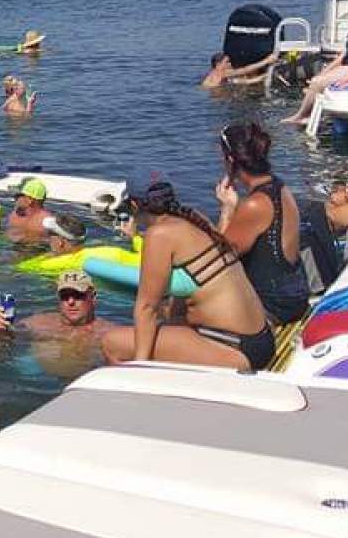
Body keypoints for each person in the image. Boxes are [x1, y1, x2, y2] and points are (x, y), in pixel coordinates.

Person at [99, 171, 273, 370]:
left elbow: (147, 308)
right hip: (261, 339)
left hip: (235, 349)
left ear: (134, 205)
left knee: (112, 344)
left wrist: (140, 367)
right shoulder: (196, 219)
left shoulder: (159, 234)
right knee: (170, 312)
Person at [215, 122, 307, 324]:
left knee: (182, 306)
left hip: (273, 307)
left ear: (230, 160)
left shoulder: (255, 205)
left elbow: (219, 259)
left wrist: (227, 209)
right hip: (294, 296)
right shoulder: (279, 187)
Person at [0, 270, 116, 379]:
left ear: (93, 297)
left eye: (78, 295)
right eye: (65, 296)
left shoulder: (109, 333)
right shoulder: (38, 323)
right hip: (38, 384)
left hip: (88, 385)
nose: (70, 302)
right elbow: (3, 350)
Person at [282, 35, 348, 124]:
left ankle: (301, 116)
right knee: (315, 82)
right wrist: (322, 74)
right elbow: (344, 56)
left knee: (316, 83)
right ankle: (308, 114)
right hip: (347, 67)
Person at [201, 52, 277, 90]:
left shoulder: (217, 76)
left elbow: (246, 82)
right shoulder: (220, 72)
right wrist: (267, 61)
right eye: (227, 62)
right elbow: (245, 70)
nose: (230, 64)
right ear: (218, 64)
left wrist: (266, 75)